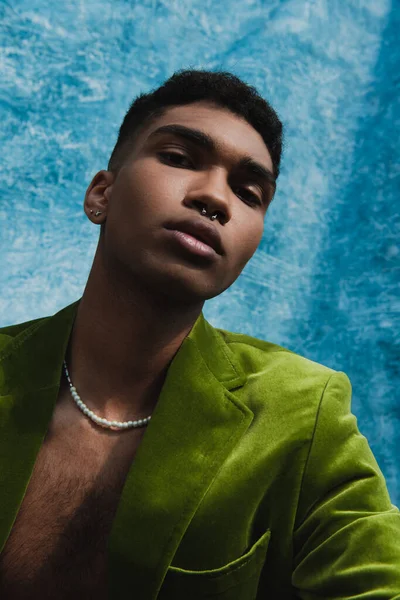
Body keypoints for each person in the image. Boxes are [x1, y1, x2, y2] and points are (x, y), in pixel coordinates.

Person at [0, 69, 399, 600]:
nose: (216, 198)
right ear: (102, 193)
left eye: (248, 191)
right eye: (179, 159)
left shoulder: (303, 415)